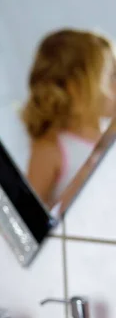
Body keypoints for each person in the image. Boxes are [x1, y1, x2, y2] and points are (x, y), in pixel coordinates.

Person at [22, 28, 116, 208]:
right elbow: (32, 217)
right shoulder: (51, 148)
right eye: (111, 76)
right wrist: (99, 153)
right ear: (76, 88)